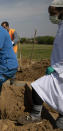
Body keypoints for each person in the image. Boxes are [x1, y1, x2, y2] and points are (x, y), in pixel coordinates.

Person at [17, 0, 63, 129]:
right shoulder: (61, 25)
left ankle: (37, 115)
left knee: (37, 87)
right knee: (54, 93)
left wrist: (56, 67)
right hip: (58, 69)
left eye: (53, 13)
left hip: (60, 69)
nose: (51, 17)